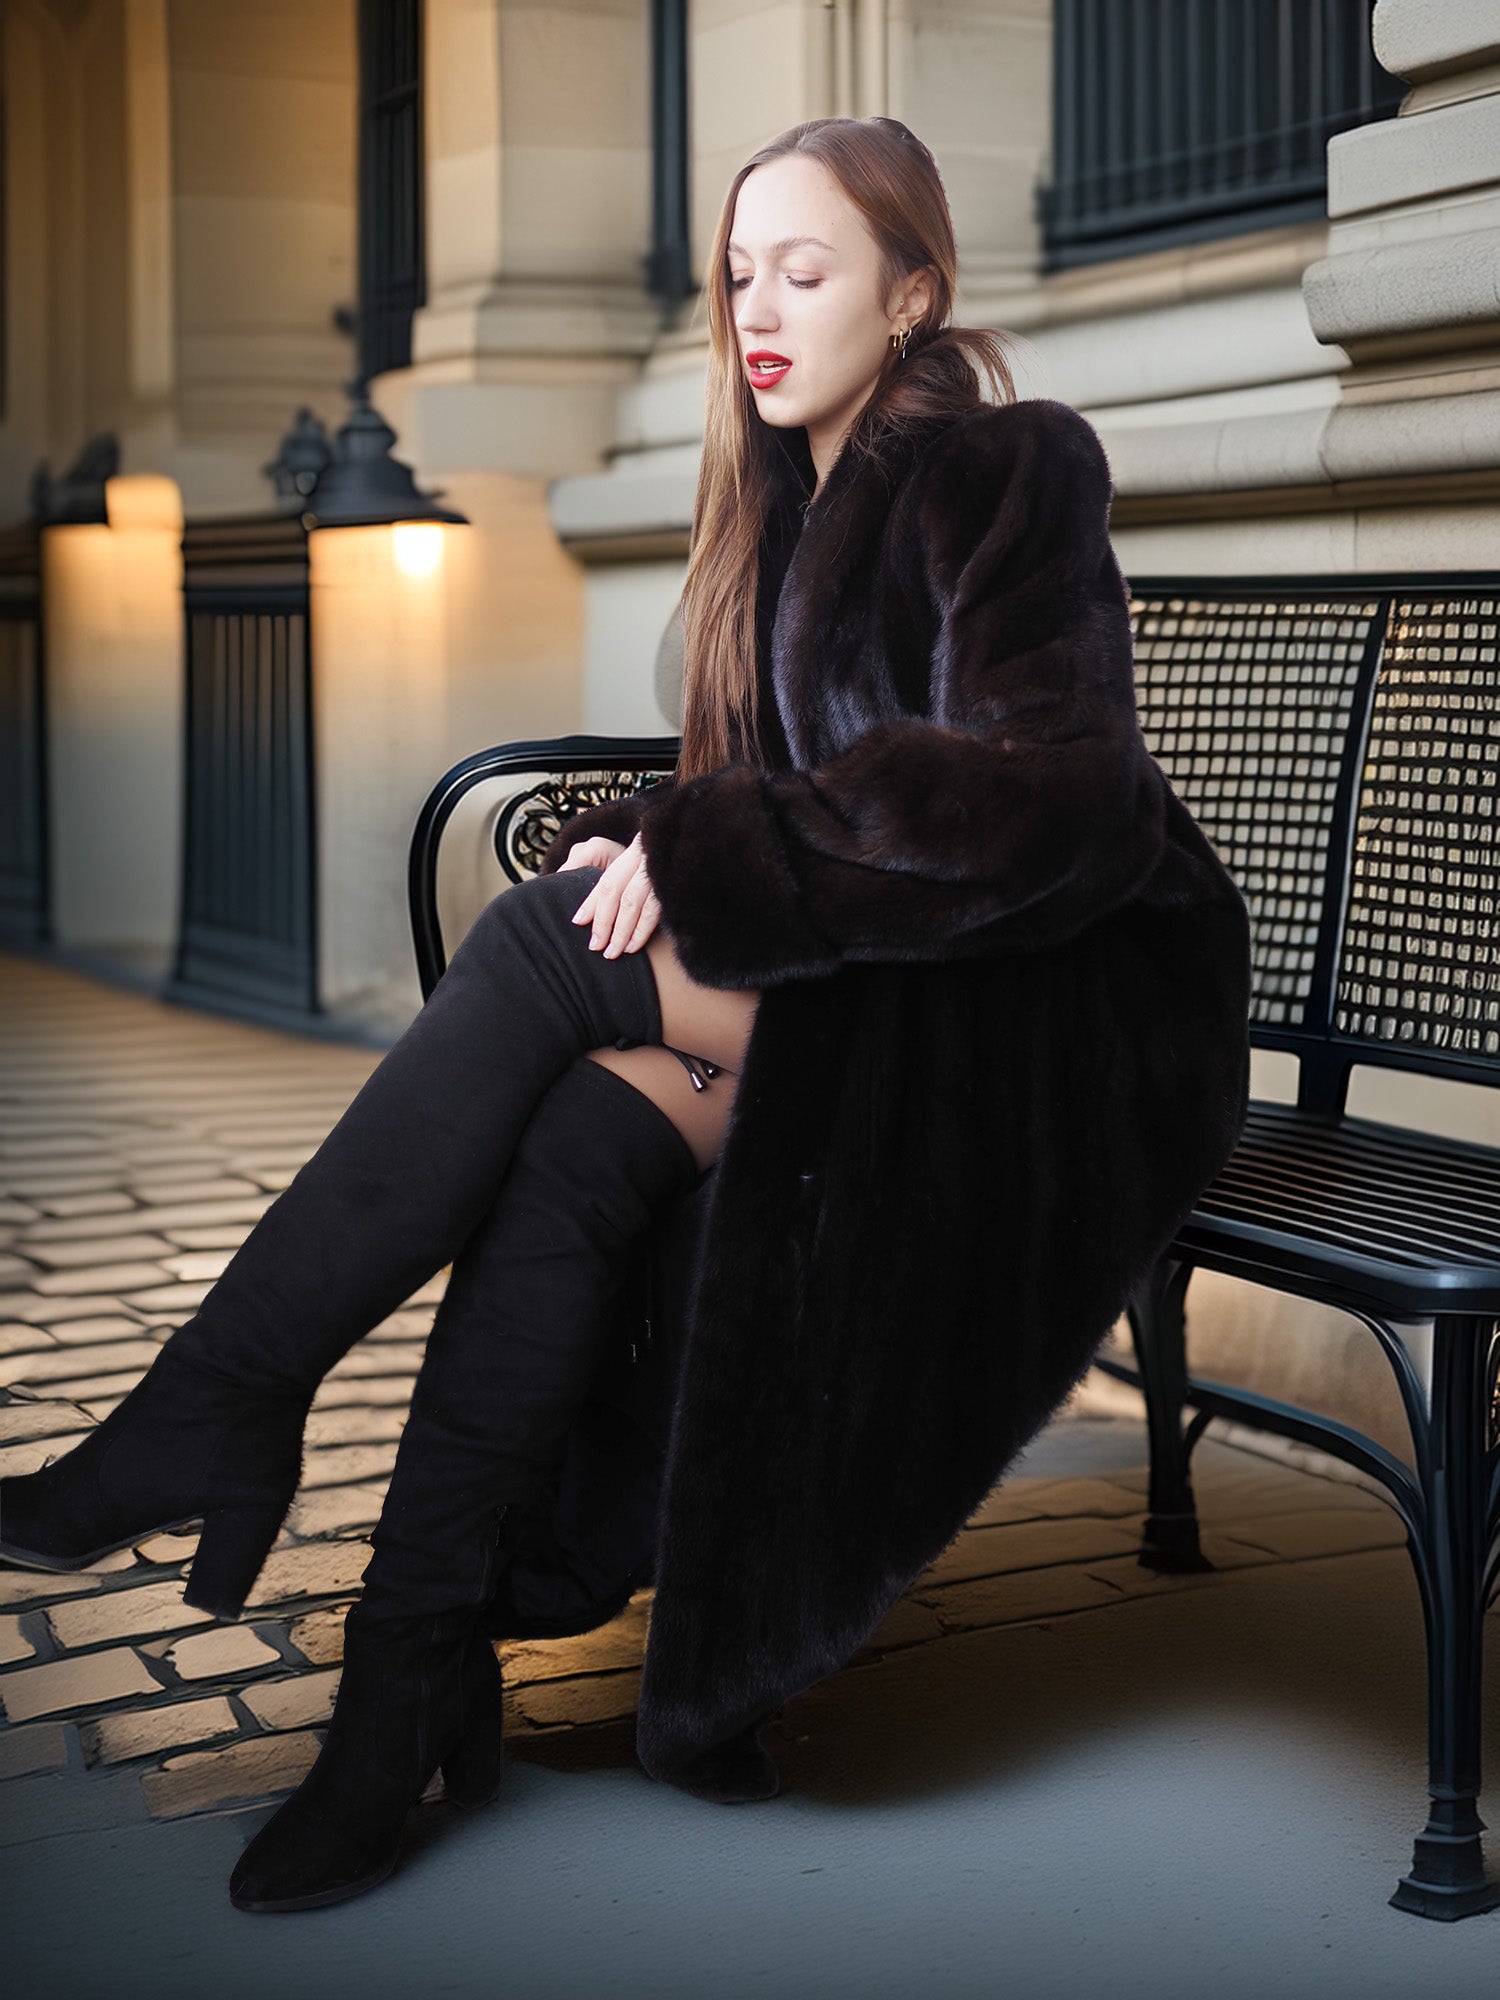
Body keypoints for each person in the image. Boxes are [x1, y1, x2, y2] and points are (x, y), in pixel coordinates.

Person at [0, 115, 1252, 1913]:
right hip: (893, 984)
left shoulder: (1007, 464)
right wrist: (665, 826)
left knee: (537, 953)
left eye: (807, 271)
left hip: (1068, 1012)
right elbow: (782, 784)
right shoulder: (783, 501)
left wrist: (708, 847)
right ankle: (408, 1664)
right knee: (582, 1130)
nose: (761, 311)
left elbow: (1050, 798)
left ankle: (214, 1407)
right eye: (739, 275)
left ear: (913, 293)